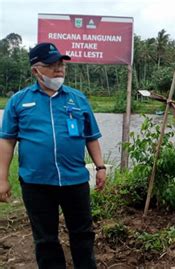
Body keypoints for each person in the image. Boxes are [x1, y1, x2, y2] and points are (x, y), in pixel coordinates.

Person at [0, 42, 106, 268]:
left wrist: (100, 167)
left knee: (83, 235)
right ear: (35, 70)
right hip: (36, 183)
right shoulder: (19, 101)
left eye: (61, 64)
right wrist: (2, 179)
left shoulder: (78, 99)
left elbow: (91, 136)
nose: (59, 69)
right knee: (46, 240)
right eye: (52, 65)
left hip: (75, 180)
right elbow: (7, 141)